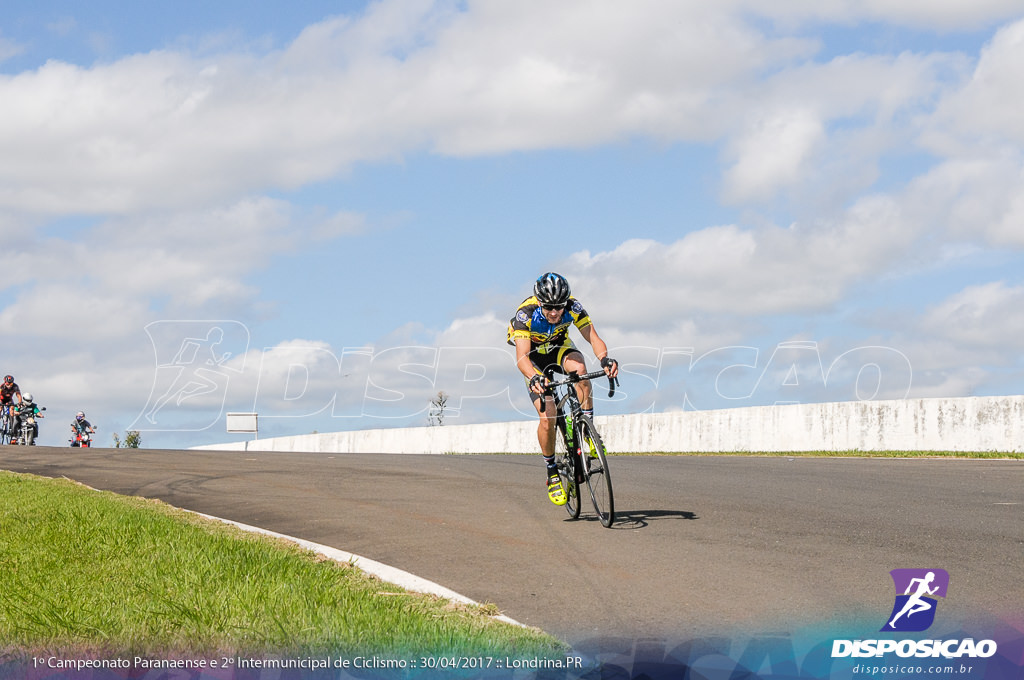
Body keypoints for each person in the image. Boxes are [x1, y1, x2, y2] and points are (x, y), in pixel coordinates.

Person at [507, 272, 618, 505]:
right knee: (547, 416)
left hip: (558, 347)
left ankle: (587, 430)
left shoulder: (573, 306)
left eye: (559, 307)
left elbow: (593, 337)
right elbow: (521, 358)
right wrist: (535, 378)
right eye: (549, 307)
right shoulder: (525, 314)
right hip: (534, 358)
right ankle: (551, 471)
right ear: (539, 302)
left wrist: (605, 359)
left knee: (580, 370)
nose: (555, 312)